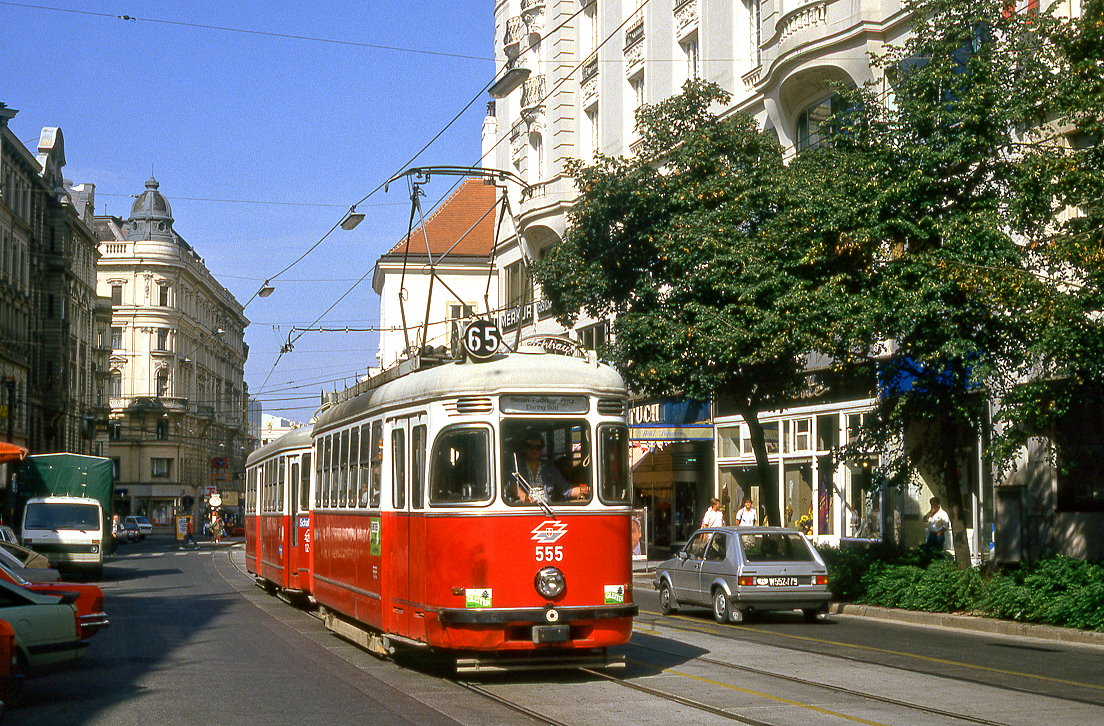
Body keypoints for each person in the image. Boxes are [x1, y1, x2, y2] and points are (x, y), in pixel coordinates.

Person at [513, 435, 588, 503]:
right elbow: (511, 484)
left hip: (547, 508)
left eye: (538, 447)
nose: (534, 450)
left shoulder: (549, 468)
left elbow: (566, 489)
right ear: (525, 448)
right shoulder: (517, 467)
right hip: (525, 508)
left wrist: (588, 489)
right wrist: (522, 495)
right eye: (531, 447)